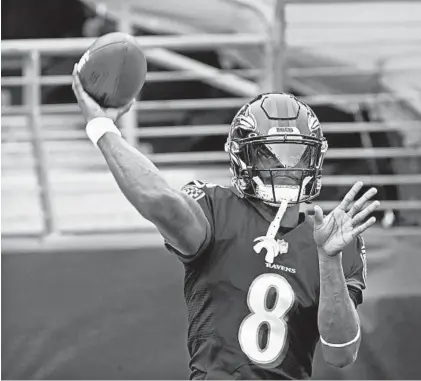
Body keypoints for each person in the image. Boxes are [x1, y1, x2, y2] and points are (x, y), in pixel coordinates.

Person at [72, 66, 379, 380]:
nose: (285, 167)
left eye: (296, 155)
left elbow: (341, 352)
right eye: (269, 154)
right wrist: (101, 127)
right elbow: (159, 201)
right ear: (243, 157)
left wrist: (329, 261)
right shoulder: (216, 209)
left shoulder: (336, 240)